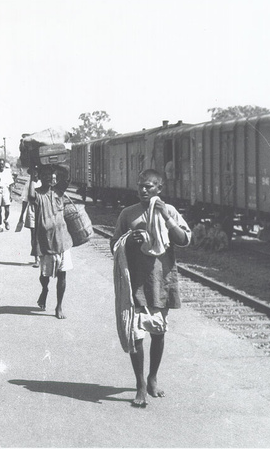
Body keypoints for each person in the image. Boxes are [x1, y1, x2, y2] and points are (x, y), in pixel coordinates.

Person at [110, 169, 191, 407]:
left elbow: (184, 239)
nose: (143, 190)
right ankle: (140, 385)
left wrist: (165, 216)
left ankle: (153, 377)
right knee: (135, 336)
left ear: (159, 189)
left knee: (158, 332)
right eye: (140, 186)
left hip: (159, 282)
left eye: (148, 186)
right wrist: (128, 240)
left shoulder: (170, 211)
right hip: (134, 283)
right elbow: (114, 243)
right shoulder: (128, 214)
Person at [28, 164, 72, 319]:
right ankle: (45, 290)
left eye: (50, 174)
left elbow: (67, 176)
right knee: (45, 275)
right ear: (40, 177)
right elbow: (31, 197)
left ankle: (59, 306)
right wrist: (32, 179)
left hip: (62, 240)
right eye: (44, 174)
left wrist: (58, 166)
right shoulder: (38, 194)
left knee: (62, 274)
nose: (48, 177)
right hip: (45, 241)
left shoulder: (58, 191)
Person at [0, 159, 14, 231]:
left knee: (7, 209)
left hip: (6, 190)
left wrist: (11, 195)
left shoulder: (7, 172)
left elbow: (11, 185)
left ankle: (6, 220)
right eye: (0, 164)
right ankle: (0, 226)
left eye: (2, 164)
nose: (1, 166)